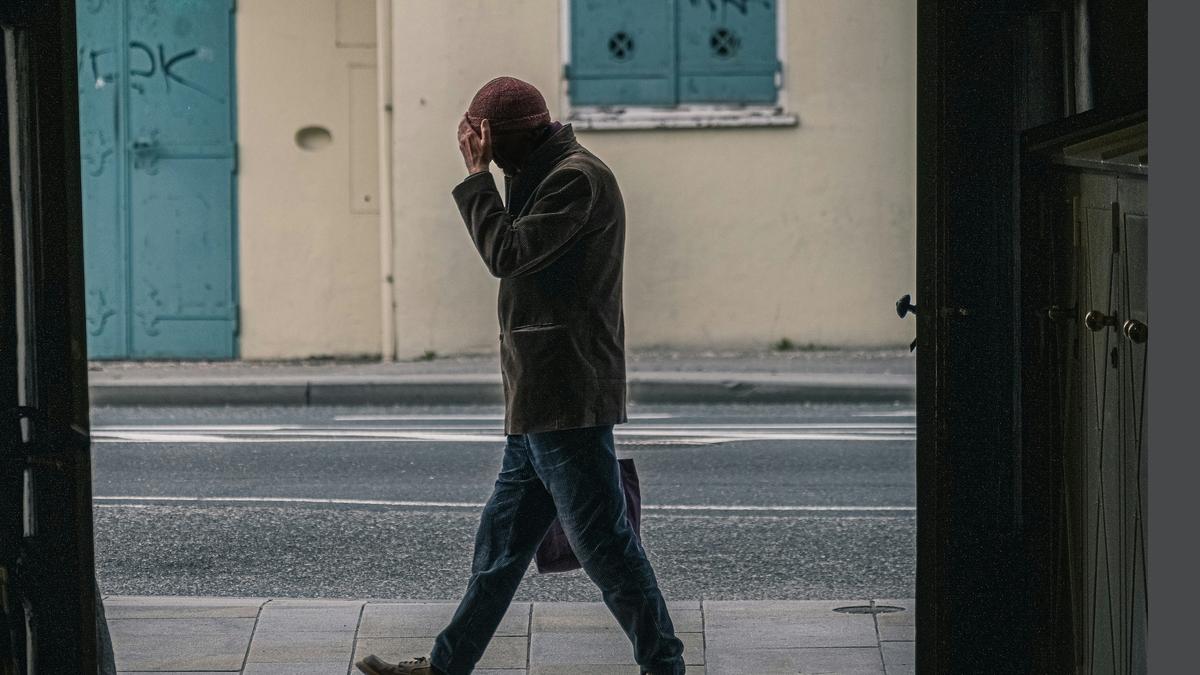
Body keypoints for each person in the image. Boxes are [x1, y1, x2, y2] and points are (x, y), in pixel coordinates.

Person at [354, 76, 686, 675]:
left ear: (517, 139)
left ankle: (665, 663)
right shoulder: (544, 173)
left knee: (606, 547)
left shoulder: (575, 179)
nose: (484, 153)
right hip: (539, 399)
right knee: (500, 550)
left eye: (491, 143)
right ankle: (446, 666)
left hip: (565, 395)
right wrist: (496, 172)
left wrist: (477, 176)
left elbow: (505, 254)